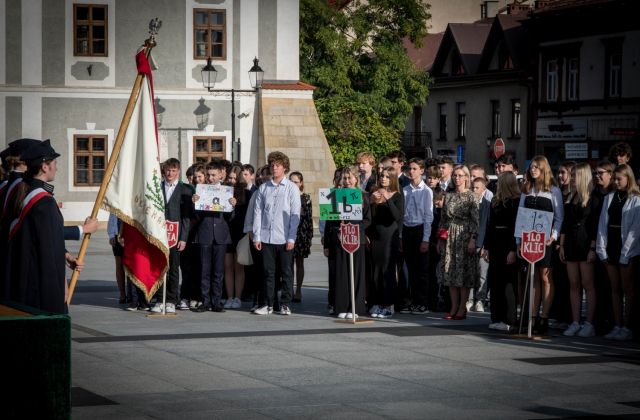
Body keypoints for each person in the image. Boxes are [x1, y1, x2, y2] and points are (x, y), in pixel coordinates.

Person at [4, 140, 84, 313]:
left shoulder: (26, 192)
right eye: (55, 163)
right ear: (45, 167)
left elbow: (41, 238)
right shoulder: (43, 203)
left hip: (22, 280)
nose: (57, 167)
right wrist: (58, 294)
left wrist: (66, 256)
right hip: (38, 288)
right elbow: (48, 251)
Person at [519, 156, 564, 335]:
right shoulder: (527, 189)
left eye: (537, 167)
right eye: (531, 167)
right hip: (529, 239)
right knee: (533, 278)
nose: (533, 170)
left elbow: (559, 217)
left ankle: (544, 317)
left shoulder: (553, 191)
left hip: (545, 240)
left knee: (545, 278)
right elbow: (521, 216)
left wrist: (553, 236)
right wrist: (518, 240)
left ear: (544, 169)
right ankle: (533, 316)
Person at [252, 151, 301, 316]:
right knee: (268, 272)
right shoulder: (264, 188)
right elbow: (257, 213)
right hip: (266, 237)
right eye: (272, 165)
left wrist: (292, 237)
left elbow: (295, 215)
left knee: (286, 272)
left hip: (284, 237)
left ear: (284, 168)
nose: (274, 168)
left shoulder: (292, 188)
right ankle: (268, 303)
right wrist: (257, 236)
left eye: (277, 165)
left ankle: (285, 303)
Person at [596, 164, 640, 341]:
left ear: (628, 178)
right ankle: (617, 324)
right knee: (615, 289)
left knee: (627, 289)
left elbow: (635, 230)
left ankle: (628, 326)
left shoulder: (636, 199)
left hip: (627, 248)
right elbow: (602, 224)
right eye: (614, 178)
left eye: (618, 179)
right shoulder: (610, 197)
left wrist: (626, 252)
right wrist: (602, 249)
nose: (615, 182)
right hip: (611, 245)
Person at [559, 162, 600, 337]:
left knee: (588, 284)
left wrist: (592, 247)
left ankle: (589, 322)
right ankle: (575, 321)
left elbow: (595, 225)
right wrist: (561, 245)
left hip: (585, 244)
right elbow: (565, 224)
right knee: (574, 284)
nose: (572, 178)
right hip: (571, 244)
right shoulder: (571, 197)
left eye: (575, 175)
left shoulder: (594, 198)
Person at [326, 166, 371, 318]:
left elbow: (367, 220)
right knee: (341, 273)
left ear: (356, 179)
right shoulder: (334, 195)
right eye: (344, 178)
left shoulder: (363, 195)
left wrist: (354, 227)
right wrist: (338, 227)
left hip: (356, 239)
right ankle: (342, 307)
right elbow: (329, 221)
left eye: (349, 177)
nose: (346, 181)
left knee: (356, 273)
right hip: (340, 240)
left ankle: (356, 308)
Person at [192, 160, 235, 313]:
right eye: (208, 175)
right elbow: (196, 217)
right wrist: (195, 204)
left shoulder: (227, 191)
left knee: (218, 271)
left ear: (220, 175)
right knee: (204, 270)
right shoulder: (201, 190)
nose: (210, 178)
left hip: (221, 236)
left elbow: (230, 218)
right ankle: (205, 301)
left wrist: (232, 205)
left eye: (213, 175)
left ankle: (216, 302)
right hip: (204, 234)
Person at [150, 158, 193, 314]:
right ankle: (159, 299)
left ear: (178, 172)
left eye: (174, 171)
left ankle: (171, 300)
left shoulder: (185, 190)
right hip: (159, 233)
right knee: (160, 266)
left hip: (176, 234)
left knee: (174, 268)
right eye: (168, 170)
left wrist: (183, 238)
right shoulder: (157, 187)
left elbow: (187, 217)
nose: (170, 173)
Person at [438, 165, 479, 320]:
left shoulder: (471, 196)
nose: (457, 178)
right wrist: (440, 239)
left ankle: (462, 307)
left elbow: (476, 221)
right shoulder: (448, 195)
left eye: (460, 175)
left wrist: (472, 240)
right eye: (455, 175)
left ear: (467, 178)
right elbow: (443, 219)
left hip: (464, 235)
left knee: (463, 274)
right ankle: (453, 306)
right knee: (450, 272)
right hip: (449, 236)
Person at [484, 172, 520, 332]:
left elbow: (515, 227)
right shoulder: (495, 201)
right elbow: (490, 225)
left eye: (500, 182)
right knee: (495, 282)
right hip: (495, 244)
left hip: (508, 244)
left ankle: (509, 319)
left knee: (508, 283)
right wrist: (486, 247)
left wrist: (513, 249)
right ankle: (496, 316)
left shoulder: (516, 202)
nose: (497, 184)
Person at [367, 167, 404, 318]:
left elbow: (397, 216)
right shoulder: (374, 194)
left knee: (387, 271)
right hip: (376, 236)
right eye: (382, 176)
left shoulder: (398, 196)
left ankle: (388, 304)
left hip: (390, 237)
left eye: (387, 177)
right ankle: (376, 303)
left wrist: (387, 198)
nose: (383, 179)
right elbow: (369, 218)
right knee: (375, 271)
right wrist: (371, 201)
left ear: (393, 179)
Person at [400, 158, 433, 314]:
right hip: (407, 230)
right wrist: (400, 235)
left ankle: (423, 302)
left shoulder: (426, 191)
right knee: (409, 269)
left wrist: (425, 238)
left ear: (421, 170)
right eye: (410, 169)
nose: (411, 171)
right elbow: (402, 215)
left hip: (420, 230)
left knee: (422, 270)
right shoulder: (405, 190)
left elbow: (428, 216)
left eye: (414, 168)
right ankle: (412, 300)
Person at [223, 165, 250, 309]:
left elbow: (247, 215)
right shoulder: (224, 192)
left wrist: (236, 205)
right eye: (230, 178)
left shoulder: (246, 193)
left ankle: (238, 297)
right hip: (226, 233)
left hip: (240, 234)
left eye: (235, 178)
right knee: (227, 266)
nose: (232, 181)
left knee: (239, 267)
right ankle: (229, 297)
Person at [469, 173, 492, 313]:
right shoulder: (468, 205)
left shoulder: (488, 205)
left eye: (477, 188)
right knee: (471, 274)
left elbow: (488, 226)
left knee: (483, 274)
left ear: (484, 190)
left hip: (482, 244)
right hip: (469, 245)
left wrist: (485, 246)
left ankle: (480, 300)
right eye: (472, 187)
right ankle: (470, 299)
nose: (474, 190)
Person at [289, 171, 313, 303]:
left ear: (301, 183)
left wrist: (309, 237)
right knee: (288, 264)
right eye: (291, 181)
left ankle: (298, 290)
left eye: (296, 182)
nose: (293, 184)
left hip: (302, 234)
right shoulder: (286, 196)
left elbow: (309, 219)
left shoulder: (306, 198)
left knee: (299, 263)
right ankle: (290, 289)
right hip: (288, 233)